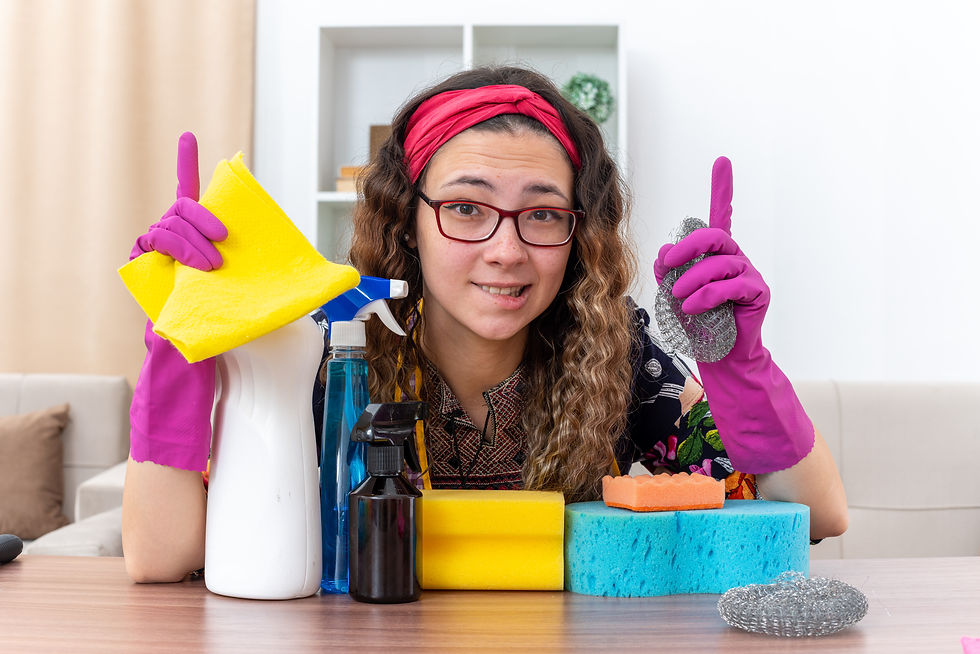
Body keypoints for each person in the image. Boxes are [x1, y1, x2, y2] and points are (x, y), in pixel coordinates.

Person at [122, 65, 848, 583]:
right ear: (409, 220)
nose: (507, 251)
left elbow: (815, 516)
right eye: (466, 208)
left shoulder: (614, 346)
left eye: (542, 214)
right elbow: (162, 559)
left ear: (579, 233)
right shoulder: (322, 350)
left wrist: (739, 365)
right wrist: (180, 346)